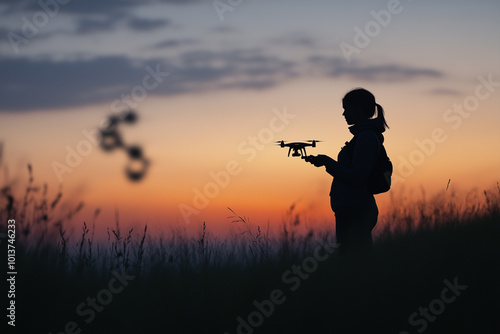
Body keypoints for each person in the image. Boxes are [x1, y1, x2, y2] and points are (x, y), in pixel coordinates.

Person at [305, 88, 389, 258]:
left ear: (358, 109)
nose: (343, 114)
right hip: (352, 209)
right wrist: (326, 163)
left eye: (346, 108)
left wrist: (328, 162)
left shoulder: (366, 137)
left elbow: (358, 177)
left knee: (354, 262)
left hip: (356, 210)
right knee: (355, 260)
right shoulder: (363, 136)